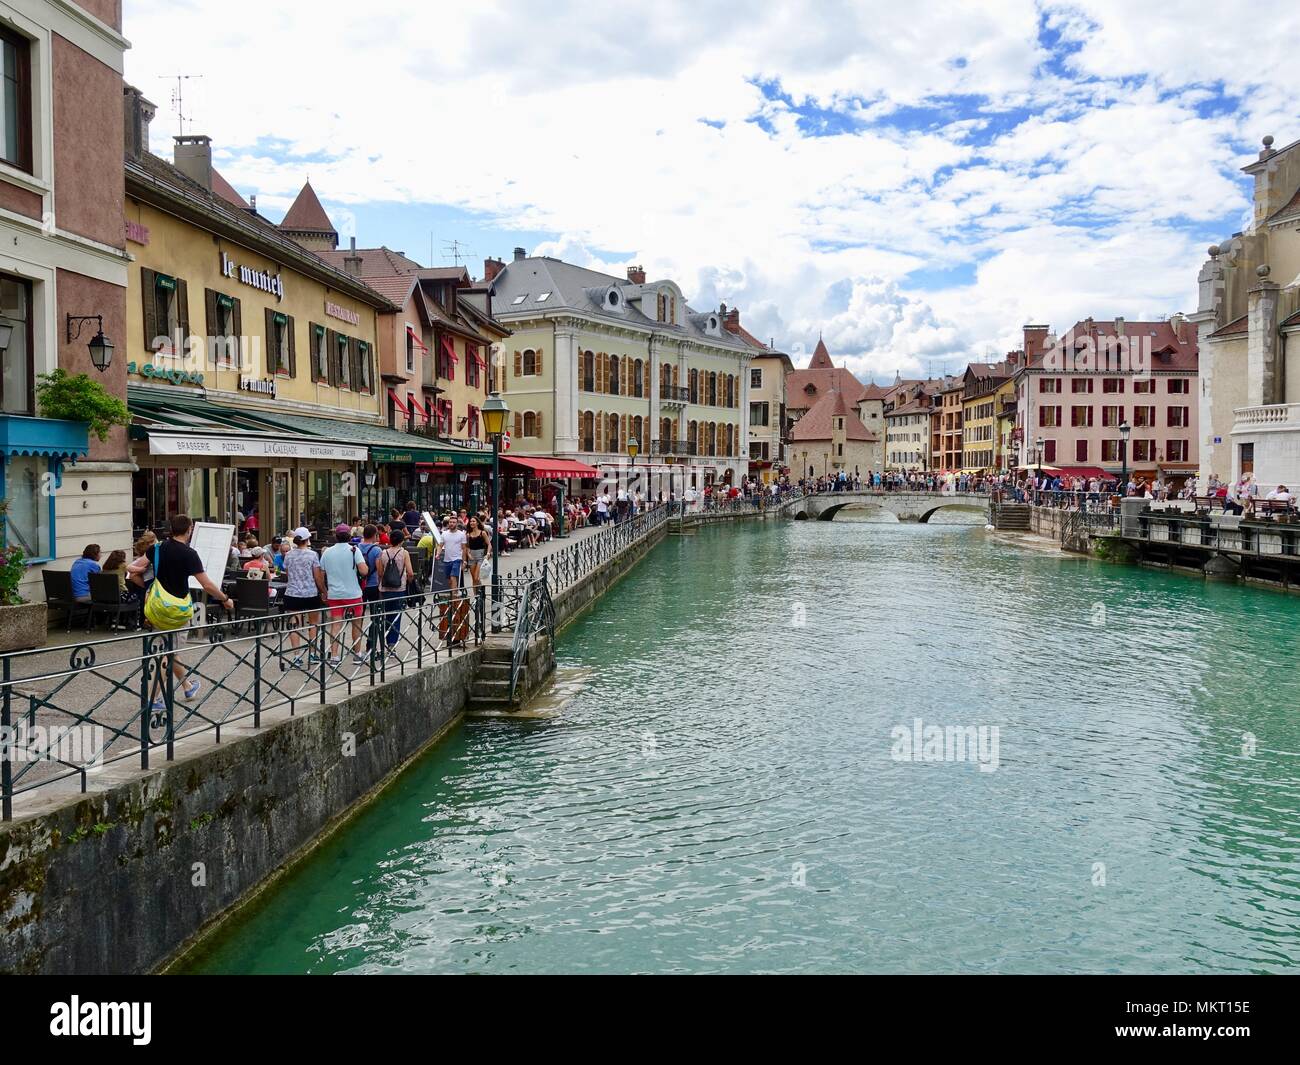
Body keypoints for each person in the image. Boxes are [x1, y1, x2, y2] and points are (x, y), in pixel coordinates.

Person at [148, 515, 234, 709]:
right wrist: (225, 599)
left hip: (157, 607)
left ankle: (187, 686)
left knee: (169, 650)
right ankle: (153, 699)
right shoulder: (189, 554)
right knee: (169, 653)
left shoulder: (157, 548)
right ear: (189, 529)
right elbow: (207, 585)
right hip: (177, 609)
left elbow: (136, 569)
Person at [318, 523, 370, 666]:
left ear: (336, 536)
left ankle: (334, 657)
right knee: (357, 624)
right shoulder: (354, 550)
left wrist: (324, 591)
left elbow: (320, 574)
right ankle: (358, 654)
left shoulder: (327, 552)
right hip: (353, 593)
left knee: (335, 625)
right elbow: (364, 571)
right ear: (349, 536)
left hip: (334, 594)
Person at [282, 532, 322, 667]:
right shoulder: (313, 555)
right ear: (307, 539)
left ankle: (296, 656)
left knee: (294, 624)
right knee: (313, 623)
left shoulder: (288, 554)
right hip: (310, 592)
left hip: (293, 592)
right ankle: (312, 653)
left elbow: (287, 573)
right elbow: (317, 576)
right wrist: (323, 591)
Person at [376, 527, 415, 657]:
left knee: (385, 616)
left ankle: (383, 642)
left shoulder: (383, 553)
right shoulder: (404, 553)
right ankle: (392, 645)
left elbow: (380, 573)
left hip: (385, 589)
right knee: (396, 617)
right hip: (399, 588)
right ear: (401, 540)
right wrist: (409, 581)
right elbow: (410, 572)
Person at [438, 514, 468, 591]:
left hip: (457, 559)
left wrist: (464, 561)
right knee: (449, 580)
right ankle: (455, 593)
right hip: (447, 560)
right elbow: (440, 545)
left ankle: (454, 597)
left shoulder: (461, 534)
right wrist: (438, 554)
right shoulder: (444, 533)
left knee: (453, 577)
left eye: (454, 522)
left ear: (457, 524)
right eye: (450, 522)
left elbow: (464, 548)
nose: (451, 524)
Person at [465, 516, 489, 589]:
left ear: (478, 523)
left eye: (473, 521)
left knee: (476, 577)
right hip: (472, 556)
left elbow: (489, 544)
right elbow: (467, 546)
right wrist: (468, 554)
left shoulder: (483, 533)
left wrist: (487, 554)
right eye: (471, 521)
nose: (471, 523)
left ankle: (480, 593)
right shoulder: (468, 534)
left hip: (480, 556)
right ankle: (477, 597)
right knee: (474, 579)